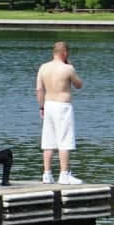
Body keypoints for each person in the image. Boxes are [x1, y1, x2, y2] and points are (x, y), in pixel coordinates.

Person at [36, 41, 83, 184]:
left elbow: (39, 89)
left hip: (48, 105)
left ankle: (47, 174)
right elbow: (79, 85)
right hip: (63, 106)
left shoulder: (43, 68)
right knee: (64, 141)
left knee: (48, 141)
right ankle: (64, 174)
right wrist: (70, 66)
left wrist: (41, 107)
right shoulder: (68, 68)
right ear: (65, 53)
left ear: (53, 52)